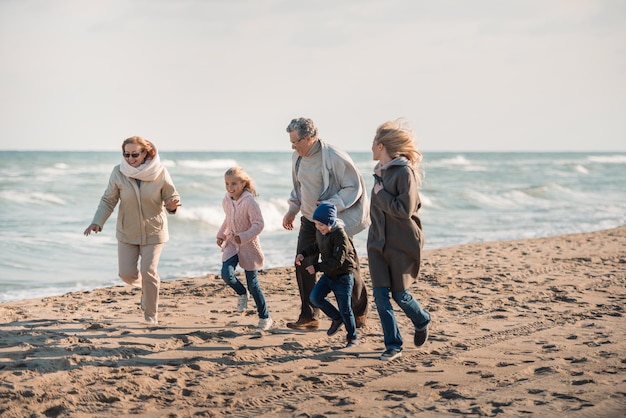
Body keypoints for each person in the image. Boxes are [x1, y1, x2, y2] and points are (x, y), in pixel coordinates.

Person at [282, 117, 370, 331]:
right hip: (309, 220)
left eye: (296, 142)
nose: (293, 146)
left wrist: (332, 204)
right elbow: (299, 187)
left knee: (346, 267)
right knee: (302, 263)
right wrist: (292, 210)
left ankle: (359, 311)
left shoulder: (333, 156)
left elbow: (353, 186)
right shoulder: (297, 158)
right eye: (291, 142)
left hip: (334, 223)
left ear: (310, 138)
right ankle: (309, 316)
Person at [84, 136, 180, 326]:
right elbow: (108, 200)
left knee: (148, 270)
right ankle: (146, 286)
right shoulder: (118, 172)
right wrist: (97, 222)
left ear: (146, 153)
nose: (130, 158)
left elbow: (171, 195)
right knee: (126, 274)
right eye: (126, 154)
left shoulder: (160, 171)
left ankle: (150, 315)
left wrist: (172, 205)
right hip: (127, 231)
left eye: (134, 154)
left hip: (154, 231)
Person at [367, 119, 431, 361]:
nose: (371, 147)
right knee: (381, 296)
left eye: (373, 143)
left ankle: (421, 318)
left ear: (381, 146)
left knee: (400, 294)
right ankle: (393, 345)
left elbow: (404, 209)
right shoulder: (379, 172)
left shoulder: (404, 172)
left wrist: (381, 194)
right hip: (377, 243)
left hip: (402, 242)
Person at [216, 167, 273, 331]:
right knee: (226, 274)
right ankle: (241, 293)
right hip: (232, 243)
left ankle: (265, 318)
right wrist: (221, 234)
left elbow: (259, 224)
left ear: (243, 183)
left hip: (248, 246)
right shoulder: (226, 199)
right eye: (227, 183)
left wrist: (245, 236)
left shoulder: (249, 202)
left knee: (253, 285)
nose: (230, 187)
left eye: (234, 183)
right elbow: (228, 218)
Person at [295, 202, 358, 347]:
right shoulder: (320, 231)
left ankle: (352, 337)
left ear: (330, 222)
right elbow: (317, 246)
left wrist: (316, 267)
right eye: (316, 224)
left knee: (345, 308)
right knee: (315, 297)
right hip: (329, 275)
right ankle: (336, 318)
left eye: (322, 225)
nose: (319, 227)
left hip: (343, 276)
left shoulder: (340, 236)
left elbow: (337, 261)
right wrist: (303, 254)